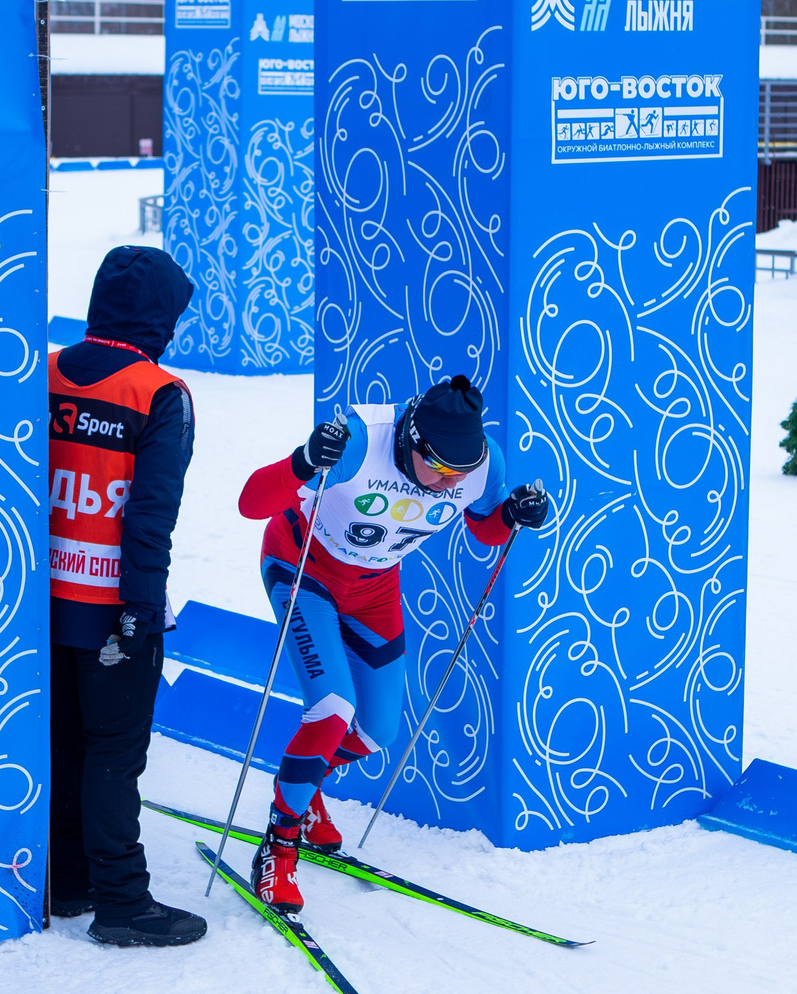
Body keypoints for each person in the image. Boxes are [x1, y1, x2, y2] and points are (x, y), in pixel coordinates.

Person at [234, 375, 553, 913]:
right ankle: (279, 844)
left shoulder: (480, 464)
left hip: (374, 587)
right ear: (410, 439)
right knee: (333, 709)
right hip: (303, 566)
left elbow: (485, 528)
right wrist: (304, 460)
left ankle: (303, 785)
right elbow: (250, 503)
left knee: (378, 731)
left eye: (460, 472)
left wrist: (512, 516)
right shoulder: (363, 439)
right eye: (439, 468)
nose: (446, 483)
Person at [47, 246, 207, 948]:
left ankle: (71, 875)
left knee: (63, 742)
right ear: (160, 318)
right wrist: (142, 612)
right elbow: (150, 516)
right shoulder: (159, 392)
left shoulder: (45, 369)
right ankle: (120, 899)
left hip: (40, 597)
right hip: (113, 602)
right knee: (114, 751)